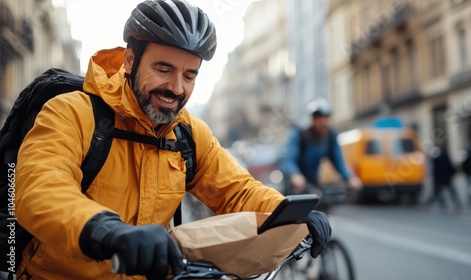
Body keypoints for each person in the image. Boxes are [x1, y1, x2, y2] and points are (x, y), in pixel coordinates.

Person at [12, 1, 331, 279]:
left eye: (189, 75)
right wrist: (108, 231)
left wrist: (290, 215)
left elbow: (236, 191)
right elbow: (40, 190)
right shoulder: (72, 112)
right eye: (163, 69)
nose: (177, 88)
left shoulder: (188, 132)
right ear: (130, 60)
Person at [280, 98, 362, 197]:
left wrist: (350, 178)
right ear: (313, 119)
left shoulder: (330, 136)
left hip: (313, 182)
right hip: (295, 184)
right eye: (319, 118)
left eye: (326, 117)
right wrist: (295, 175)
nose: (323, 122)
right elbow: (289, 159)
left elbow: (338, 161)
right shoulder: (300, 134)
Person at [426, 145, 462, 212]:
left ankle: (442, 204)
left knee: (440, 192)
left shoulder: (437, 156)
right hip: (445, 177)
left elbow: (437, 169)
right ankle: (448, 204)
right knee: (442, 192)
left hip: (442, 178)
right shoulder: (443, 155)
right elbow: (449, 166)